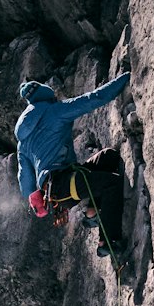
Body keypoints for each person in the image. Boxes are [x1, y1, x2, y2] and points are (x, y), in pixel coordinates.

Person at [15, 73, 130, 263]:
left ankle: (92, 213)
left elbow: (24, 176)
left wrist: (33, 197)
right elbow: (94, 98)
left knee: (108, 157)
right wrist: (124, 78)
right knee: (112, 184)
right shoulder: (55, 111)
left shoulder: (23, 141)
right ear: (47, 95)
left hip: (58, 190)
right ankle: (107, 241)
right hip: (64, 184)